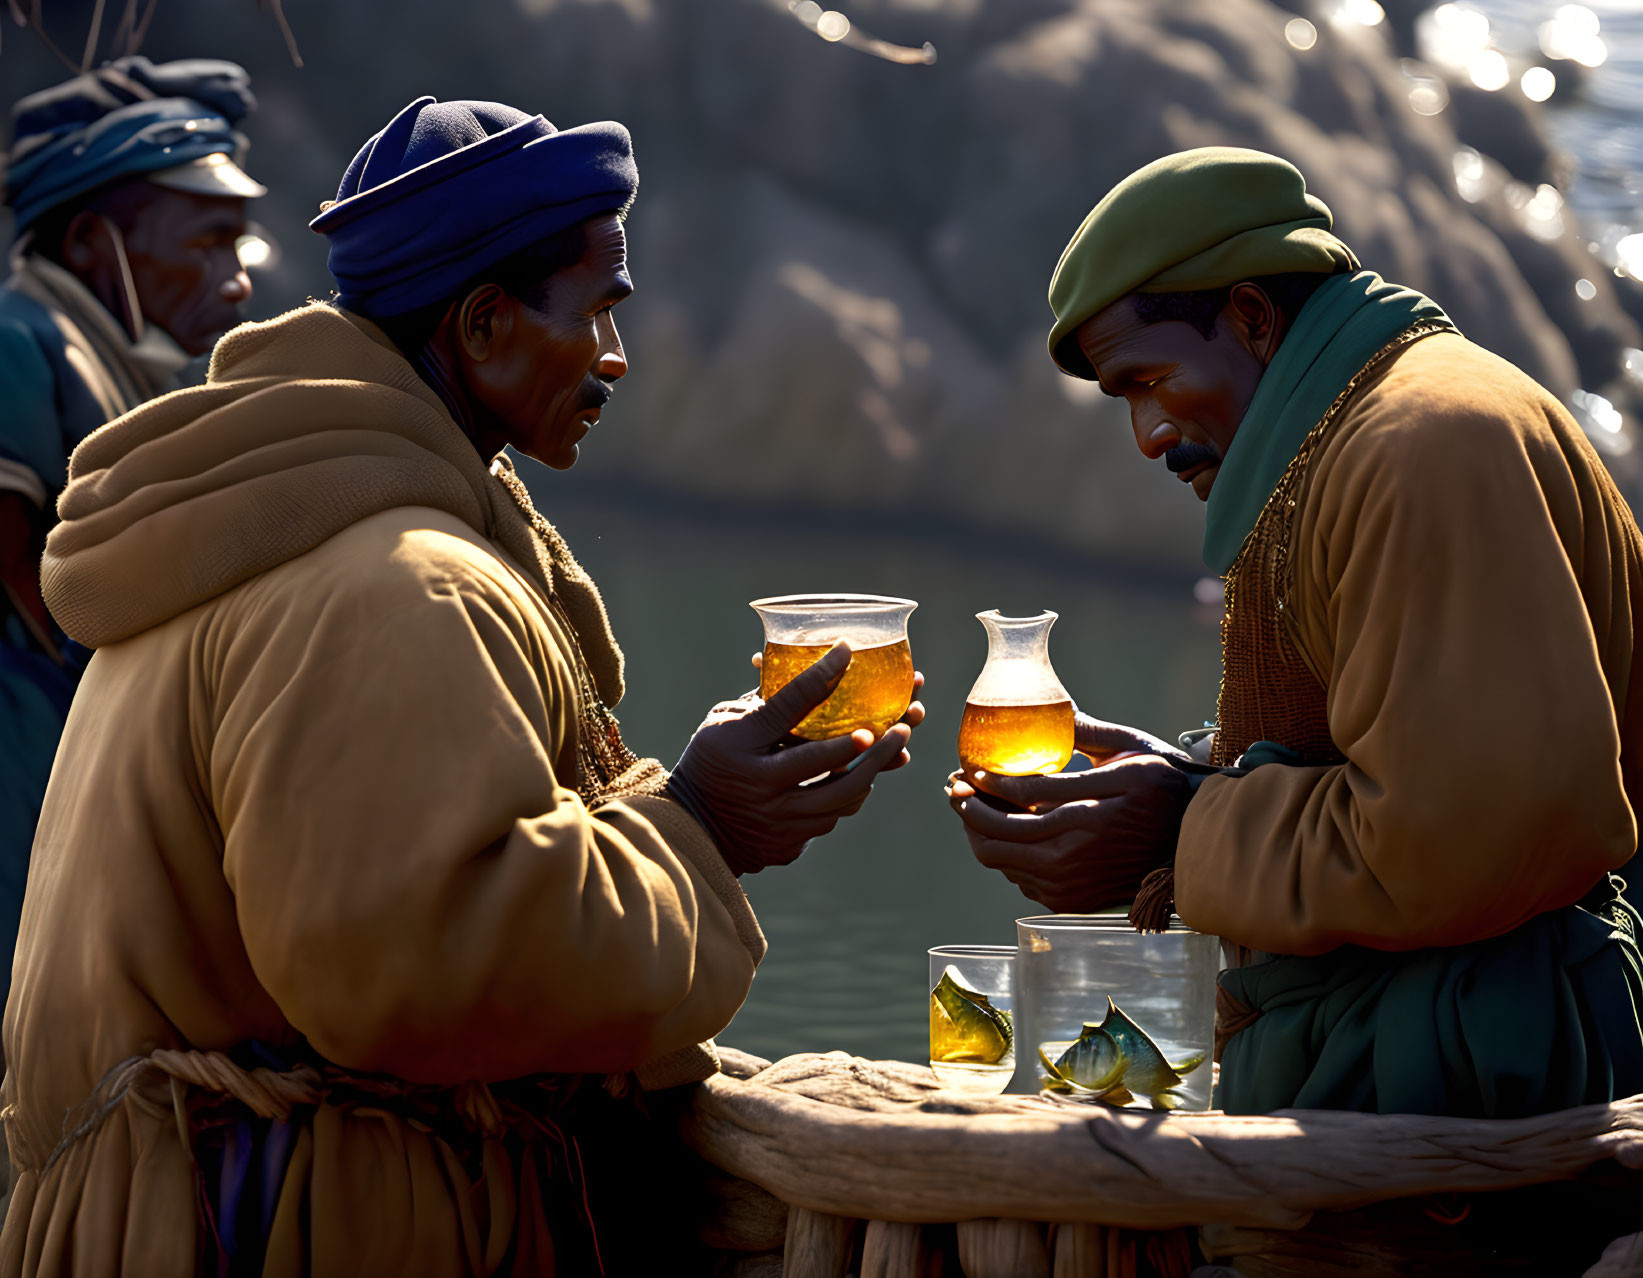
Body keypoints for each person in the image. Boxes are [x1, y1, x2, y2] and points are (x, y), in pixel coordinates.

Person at [1, 96, 920, 1275]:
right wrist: (699, 828)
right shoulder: (394, 582)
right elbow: (417, 974)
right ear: (482, 324)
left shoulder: (269, 526)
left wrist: (681, 809)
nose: (613, 357)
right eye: (593, 312)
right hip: (289, 1230)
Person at [948, 146, 1643, 1118]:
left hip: (1474, 1088)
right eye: (1123, 401)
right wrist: (1186, 780)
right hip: (1429, 1057)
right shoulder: (1355, 428)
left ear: (1249, 318)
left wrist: (1180, 826)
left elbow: (1449, 851)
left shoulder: (1417, 449)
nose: (1147, 434)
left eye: (1150, 380)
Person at [0, 56, 263, 999]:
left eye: (241, 249)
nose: (235, 284)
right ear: (87, 241)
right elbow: (34, 586)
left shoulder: (123, 373)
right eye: (205, 245)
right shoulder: (19, 342)